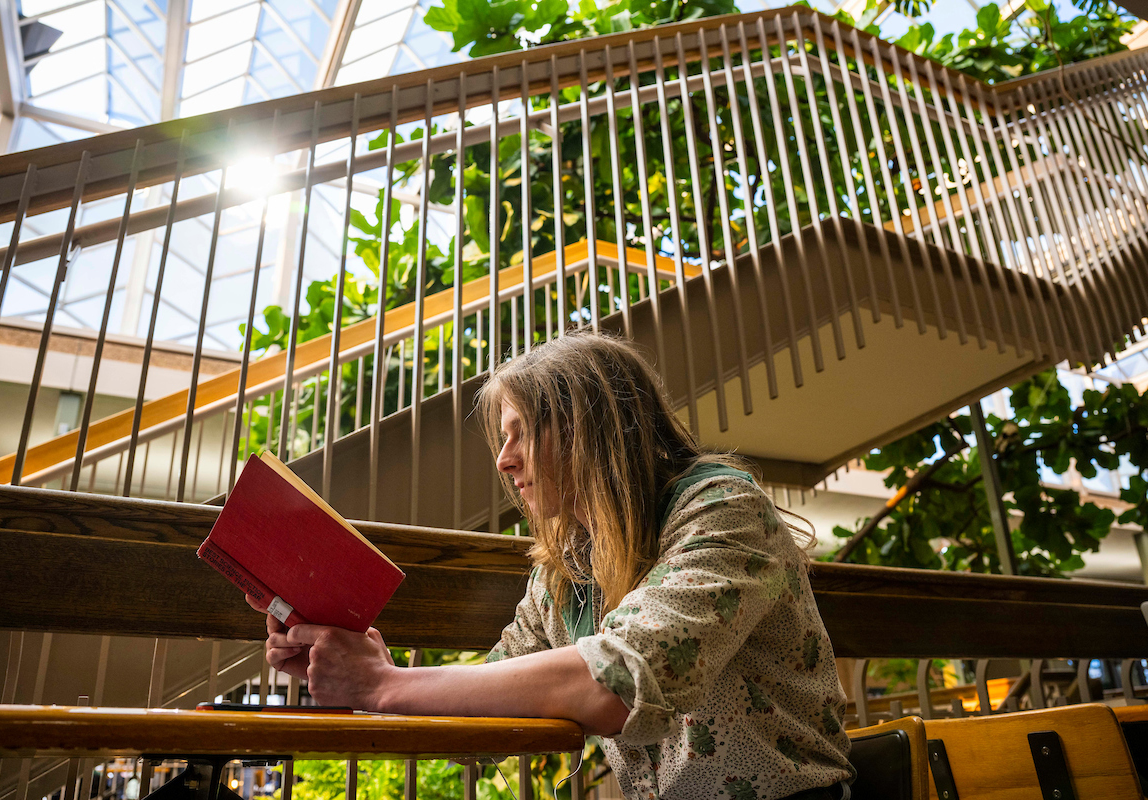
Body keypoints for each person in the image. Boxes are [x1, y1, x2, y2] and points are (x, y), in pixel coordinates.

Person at [249, 332, 854, 800]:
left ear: (593, 429)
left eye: (520, 433)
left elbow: (617, 683)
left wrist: (383, 686)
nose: (503, 462)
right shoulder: (566, 567)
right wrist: (357, 665)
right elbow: (484, 715)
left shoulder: (722, 508)